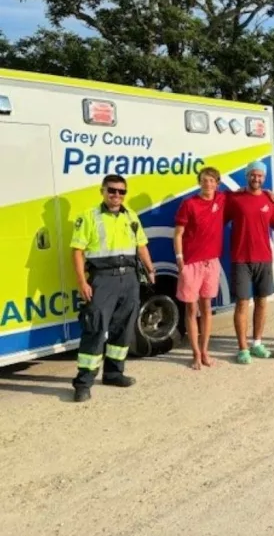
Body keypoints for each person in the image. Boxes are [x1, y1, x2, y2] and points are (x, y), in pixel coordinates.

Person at [70, 174, 156, 403]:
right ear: (103, 191)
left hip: (129, 279)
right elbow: (77, 252)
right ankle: (83, 382)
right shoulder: (89, 217)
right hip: (102, 280)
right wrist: (82, 282)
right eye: (112, 190)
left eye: (121, 191)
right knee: (95, 329)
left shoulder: (131, 216)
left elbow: (141, 245)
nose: (116, 195)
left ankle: (114, 373)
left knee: (123, 329)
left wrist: (150, 269)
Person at [225, 160, 274, 363]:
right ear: (247, 176)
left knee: (262, 303)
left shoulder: (269, 200)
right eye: (253, 175)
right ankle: (243, 348)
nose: (256, 178)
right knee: (242, 304)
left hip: (264, 259)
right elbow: (218, 219)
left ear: (264, 178)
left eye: (260, 176)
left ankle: (257, 343)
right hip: (241, 259)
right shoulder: (235, 198)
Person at [173, 166, 226, 370]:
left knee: (206, 308)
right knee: (191, 309)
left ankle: (204, 350)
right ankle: (195, 353)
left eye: (212, 181)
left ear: (217, 184)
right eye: (204, 180)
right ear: (199, 182)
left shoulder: (221, 200)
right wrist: (179, 259)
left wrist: (268, 192)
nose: (208, 184)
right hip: (191, 264)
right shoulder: (189, 204)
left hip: (211, 262)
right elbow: (178, 233)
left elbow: (244, 193)